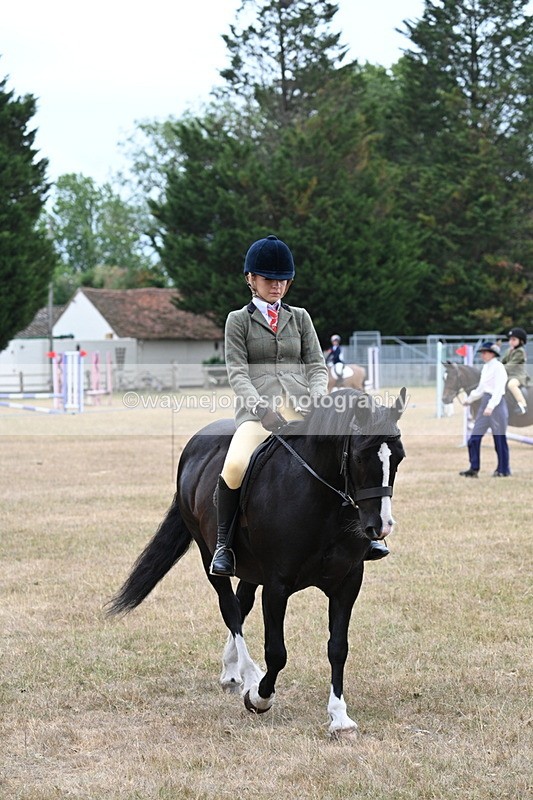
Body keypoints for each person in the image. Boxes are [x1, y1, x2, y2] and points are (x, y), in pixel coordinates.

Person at [210, 235, 388, 576]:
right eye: (268, 279)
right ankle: (225, 545)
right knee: (234, 466)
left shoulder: (300, 317)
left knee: (352, 452)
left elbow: (316, 365)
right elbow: (237, 371)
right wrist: (262, 409)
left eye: (282, 280)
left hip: (304, 406)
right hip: (258, 413)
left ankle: (366, 536)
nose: (276, 286)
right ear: (250, 279)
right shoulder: (238, 320)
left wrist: (319, 398)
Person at [459, 341, 510, 478]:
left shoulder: (498, 367)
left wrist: (491, 406)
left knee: (499, 439)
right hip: (485, 403)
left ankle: (503, 469)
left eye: (485, 352)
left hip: (496, 405)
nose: (482, 355)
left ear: (492, 354)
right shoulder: (486, 368)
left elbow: (499, 389)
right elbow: (481, 389)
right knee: (474, 438)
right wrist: (469, 400)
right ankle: (474, 468)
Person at [501, 327, 529, 415]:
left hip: (518, 376)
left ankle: (523, 405)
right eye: (510, 339)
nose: (511, 342)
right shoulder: (509, 350)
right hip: (507, 375)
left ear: (521, 341)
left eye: (514, 339)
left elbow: (510, 365)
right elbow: (502, 361)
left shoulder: (520, 352)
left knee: (511, 385)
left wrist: (499, 369)